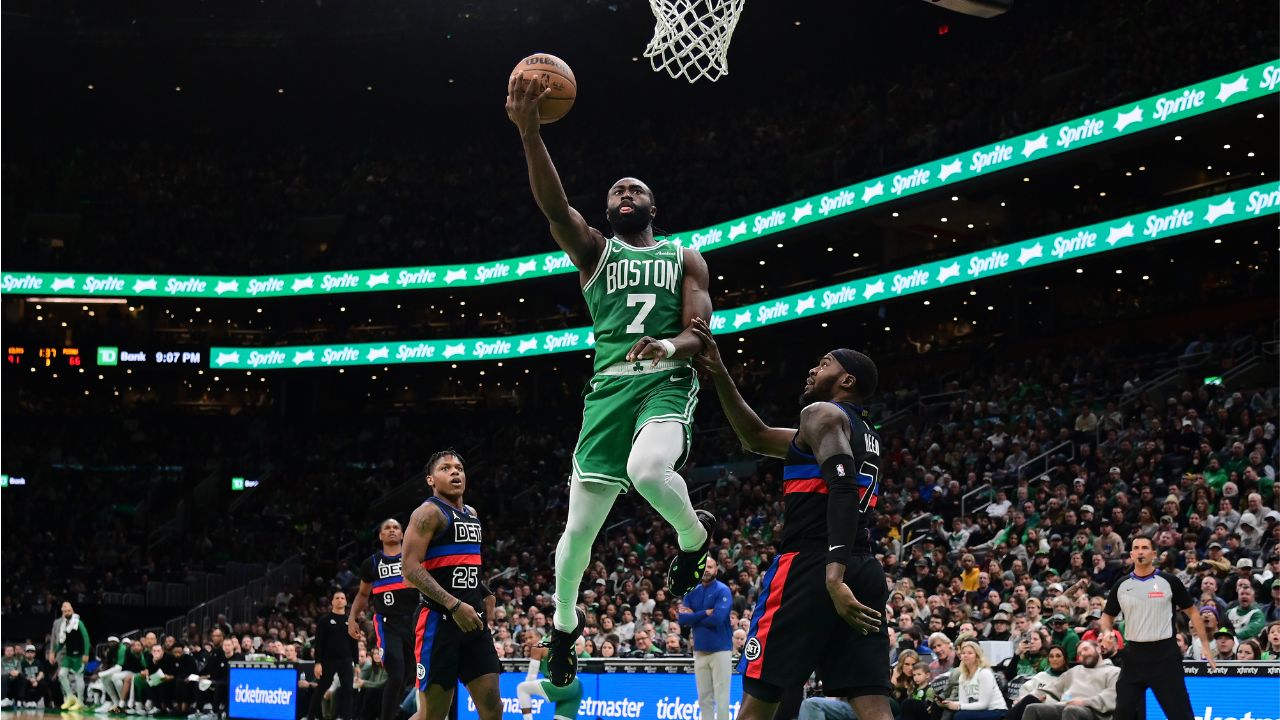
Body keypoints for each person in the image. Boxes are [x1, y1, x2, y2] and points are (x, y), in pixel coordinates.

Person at [506, 73, 716, 687]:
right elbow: (554, 209)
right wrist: (530, 134)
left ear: (653, 207)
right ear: (605, 211)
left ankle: (693, 538)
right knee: (577, 535)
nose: (627, 193)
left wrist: (668, 346)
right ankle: (563, 629)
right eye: (618, 190)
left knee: (649, 470)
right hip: (607, 393)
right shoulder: (596, 252)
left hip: (665, 381)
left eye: (637, 189)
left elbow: (700, 332)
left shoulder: (685, 256)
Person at [689, 318, 888, 720]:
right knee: (874, 708)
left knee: (757, 705)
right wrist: (720, 372)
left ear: (847, 380)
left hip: (811, 567)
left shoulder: (821, 413)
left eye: (825, 363)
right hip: (864, 567)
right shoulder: (865, 431)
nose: (813, 369)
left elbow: (843, 487)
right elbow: (756, 437)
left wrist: (833, 576)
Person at [401, 450, 501, 720]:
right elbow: (409, 568)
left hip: (474, 622)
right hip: (438, 621)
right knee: (433, 715)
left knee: (493, 709)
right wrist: (454, 605)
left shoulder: (472, 513)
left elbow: (463, 562)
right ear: (431, 480)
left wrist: (485, 591)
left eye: (459, 468)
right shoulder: (427, 513)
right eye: (445, 468)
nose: (455, 472)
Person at [1100, 536, 1214, 720]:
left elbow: (1193, 613)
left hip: (1165, 656)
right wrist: (1107, 632)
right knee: (1123, 713)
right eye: (1136, 548)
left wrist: (1206, 646)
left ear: (1153, 554)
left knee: (1180, 715)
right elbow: (1107, 616)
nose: (1140, 551)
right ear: (1131, 554)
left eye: (1145, 547)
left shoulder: (1169, 581)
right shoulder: (1121, 585)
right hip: (1133, 656)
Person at [349, 518, 419, 720]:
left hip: (413, 622)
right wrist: (352, 618)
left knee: (408, 676)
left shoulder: (414, 558)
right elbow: (363, 595)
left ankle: (395, 712)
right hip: (387, 624)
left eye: (396, 527)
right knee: (396, 674)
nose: (392, 530)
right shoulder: (371, 563)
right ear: (380, 535)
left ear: (402, 534)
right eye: (387, 528)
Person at [678, 557, 733, 720]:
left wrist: (694, 616)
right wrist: (704, 613)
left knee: (722, 696)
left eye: (710, 567)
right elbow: (682, 619)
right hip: (700, 650)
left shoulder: (723, 590)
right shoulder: (692, 591)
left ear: (716, 570)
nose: (706, 570)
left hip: (720, 649)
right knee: (703, 697)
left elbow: (717, 618)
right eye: (704, 567)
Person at [1022, 641, 1120, 720]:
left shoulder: (1114, 671)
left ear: (1098, 649)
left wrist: (1084, 702)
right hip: (1065, 706)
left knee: (1071, 710)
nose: (1083, 654)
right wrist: (1030, 696)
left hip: (1093, 711)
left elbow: (1112, 696)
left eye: (1086, 649)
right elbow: (1052, 688)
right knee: (1032, 708)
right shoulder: (1074, 671)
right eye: (1079, 653)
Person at [306, 591, 358, 720]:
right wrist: (317, 663)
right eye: (337, 598)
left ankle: (347, 717)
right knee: (321, 688)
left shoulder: (350, 621)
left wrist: (356, 663)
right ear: (332, 601)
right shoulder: (324, 620)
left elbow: (354, 644)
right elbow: (319, 643)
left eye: (342, 598)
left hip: (346, 660)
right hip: (328, 660)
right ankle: (310, 716)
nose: (340, 600)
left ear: (346, 602)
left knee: (348, 690)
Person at [939, 641, 1007, 720]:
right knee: (951, 712)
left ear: (977, 656)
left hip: (996, 710)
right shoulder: (963, 676)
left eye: (970, 653)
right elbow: (964, 702)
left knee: (960, 716)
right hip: (980, 711)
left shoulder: (984, 673)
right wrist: (951, 704)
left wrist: (958, 706)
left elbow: (983, 704)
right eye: (963, 653)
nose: (965, 655)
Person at [516, 643, 582, 720]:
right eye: (526, 638)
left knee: (522, 688)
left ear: (538, 637)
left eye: (530, 637)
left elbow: (531, 677)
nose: (528, 640)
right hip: (576, 684)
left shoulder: (537, 647)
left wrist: (528, 695)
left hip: (563, 683)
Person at [51, 601, 90, 711]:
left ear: (72, 610)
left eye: (68, 610)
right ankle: (70, 697)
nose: (66, 612)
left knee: (78, 677)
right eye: (64, 611)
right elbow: (61, 642)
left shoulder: (78, 622)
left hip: (79, 655)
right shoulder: (64, 625)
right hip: (69, 655)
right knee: (61, 674)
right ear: (62, 612)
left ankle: (80, 701)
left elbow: (86, 638)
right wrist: (54, 652)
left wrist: (86, 654)